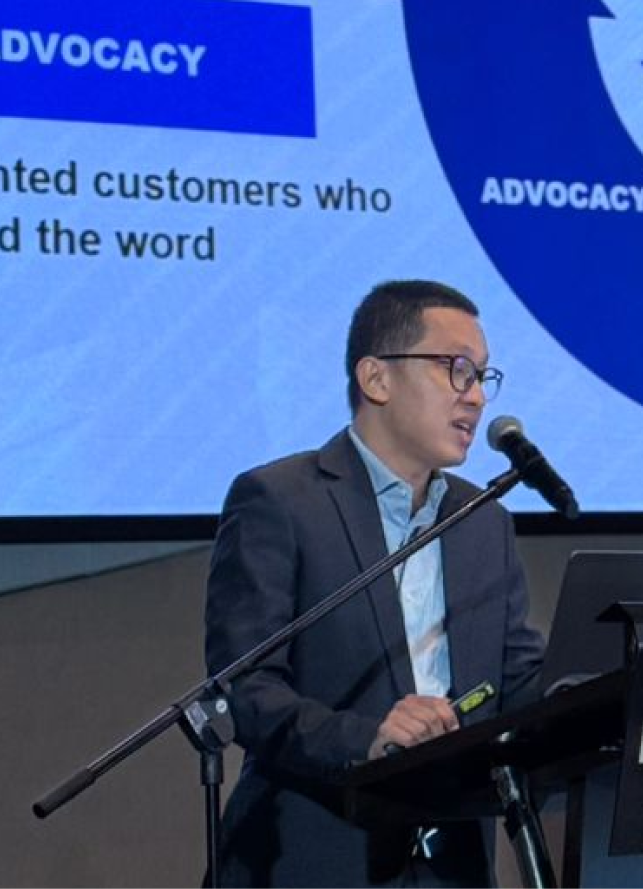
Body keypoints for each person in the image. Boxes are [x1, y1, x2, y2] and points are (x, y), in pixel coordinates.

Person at [205, 280, 545, 886]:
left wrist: (605, 689)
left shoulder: (482, 521)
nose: (475, 397)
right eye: (456, 369)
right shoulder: (281, 501)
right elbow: (248, 688)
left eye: (482, 377)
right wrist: (367, 740)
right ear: (376, 378)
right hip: (317, 857)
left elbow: (515, 681)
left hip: (453, 866)